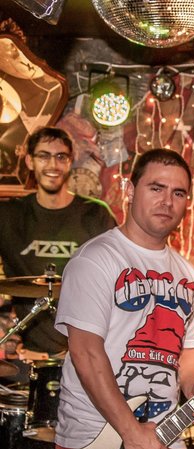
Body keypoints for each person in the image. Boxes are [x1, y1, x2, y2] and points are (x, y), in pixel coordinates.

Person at [53, 148, 194, 449]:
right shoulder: (95, 260)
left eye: (178, 193)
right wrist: (131, 431)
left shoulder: (188, 274)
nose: (167, 201)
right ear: (130, 191)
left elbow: (189, 354)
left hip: (166, 439)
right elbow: (86, 354)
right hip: (94, 443)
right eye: (156, 188)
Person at [0, 126, 116, 357]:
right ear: (30, 161)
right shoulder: (8, 215)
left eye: (61, 157)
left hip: (87, 351)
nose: (53, 165)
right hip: (27, 353)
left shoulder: (96, 214)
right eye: (44, 156)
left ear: (70, 162)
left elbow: (120, 279)